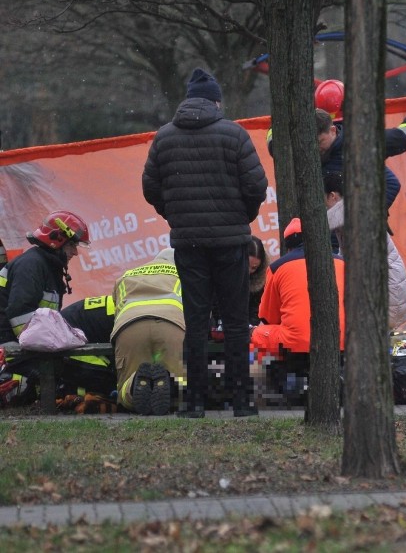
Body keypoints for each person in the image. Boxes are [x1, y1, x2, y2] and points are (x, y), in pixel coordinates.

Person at [142, 67, 268, 418]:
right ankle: (242, 402)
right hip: (231, 244)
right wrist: (242, 216)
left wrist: (175, 215)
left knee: (196, 322)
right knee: (236, 321)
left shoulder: (164, 137)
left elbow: (150, 188)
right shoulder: (235, 134)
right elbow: (257, 186)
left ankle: (194, 402)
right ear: (216, 101)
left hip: (189, 244)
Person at [266, 85, 406, 212]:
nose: (315, 148)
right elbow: (274, 143)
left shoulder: (362, 142)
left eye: (320, 141)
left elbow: (403, 139)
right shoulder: (302, 144)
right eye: (311, 143)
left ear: (333, 130)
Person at [0, 211, 90, 405]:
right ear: (56, 240)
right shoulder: (31, 265)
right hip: (8, 345)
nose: (75, 252)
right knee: (59, 374)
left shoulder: (47, 265)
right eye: (73, 245)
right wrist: (50, 345)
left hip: (17, 342)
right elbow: (20, 315)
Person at [324, 172, 406, 330]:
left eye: (322, 200)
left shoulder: (353, 220)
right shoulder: (354, 214)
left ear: (333, 196)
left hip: (387, 301)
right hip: (390, 295)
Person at [252, 218, 345, 355]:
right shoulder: (341, 262)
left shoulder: (277, 267)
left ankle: (261, 375)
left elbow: (269, 317)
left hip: (296, 344)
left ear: (288, 246)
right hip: (342, 340)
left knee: (257, 333)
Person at [111, 249, 186, 415]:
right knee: (182, 384)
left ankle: (135, 384)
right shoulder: (185, 275)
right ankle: (170, 386)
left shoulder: (125, 276)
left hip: (130, 327)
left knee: (124, 386)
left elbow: (116, 311)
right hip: (171, 326)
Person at [59, 294, 117, 398]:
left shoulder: (126, 304)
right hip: (67, 341)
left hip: (73, 331)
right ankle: (64, 391)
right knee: (110, 382)